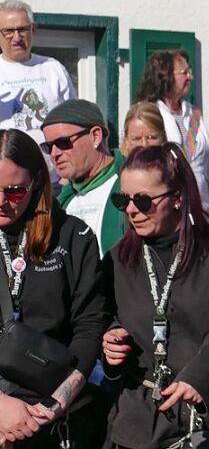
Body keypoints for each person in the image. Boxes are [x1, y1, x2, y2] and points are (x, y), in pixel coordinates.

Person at [101, 143, 209, 448]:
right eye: (124, 200)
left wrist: (200, 376)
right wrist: (109, 343)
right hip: (137, 421)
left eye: (143, 201)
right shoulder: (118, 259)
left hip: (207, 416)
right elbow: (102, 318)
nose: (131, 210)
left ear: (177, 198)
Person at [0, 129, 107, 447]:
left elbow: (89, 325)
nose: (2, 202)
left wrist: (59, 400)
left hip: (57, 415)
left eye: (15, 191)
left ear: (36, 182)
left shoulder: (74, 237)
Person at [40, 100, 125, 256]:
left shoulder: (129, 184)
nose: (54, 154)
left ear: (95, 136)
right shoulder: (58, 200)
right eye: (48, 146)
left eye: (63, 142)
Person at [0, 0, 76, 160]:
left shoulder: (53, 68)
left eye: (22, 29)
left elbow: (73, 123)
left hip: (54, 179)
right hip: (6, 179)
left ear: (33, 29)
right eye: (8, 31)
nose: (16, 37)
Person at [135, 51, 209, 209]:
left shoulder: (194, 115)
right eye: (184, 72)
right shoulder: (148, 114)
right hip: (164, 205)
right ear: (165, 75)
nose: (190, 77)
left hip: (199, 205)